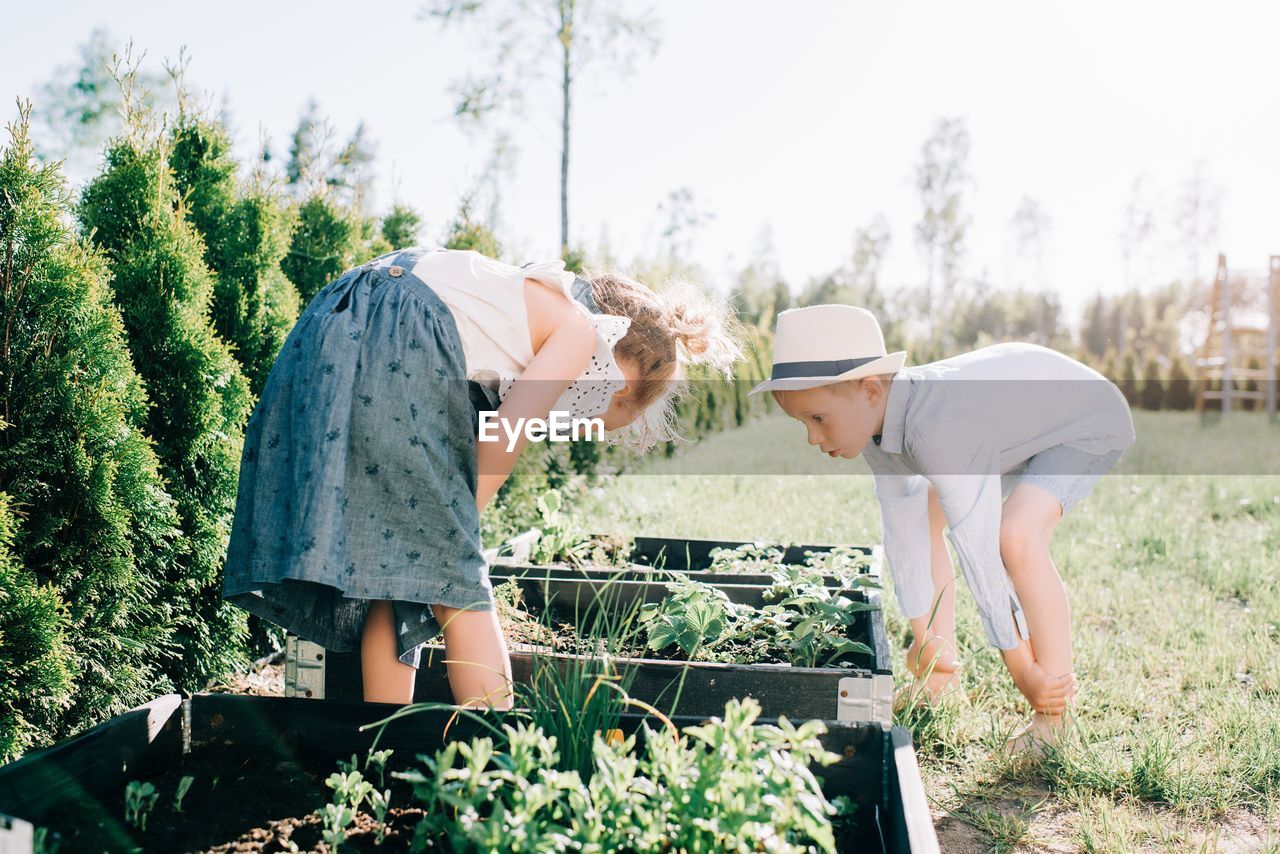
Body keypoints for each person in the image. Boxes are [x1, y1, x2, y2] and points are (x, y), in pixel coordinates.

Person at [223, 246, 742, 709]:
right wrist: (459, 534)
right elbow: (505, 440)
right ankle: (496, 750)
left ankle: (384, 745)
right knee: (456, 578)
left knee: (395, 573)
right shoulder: (582, 333)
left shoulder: (512, 308)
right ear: (614, 369)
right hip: (403, 336)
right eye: (596, 407)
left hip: (338, 321)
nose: (574, 414)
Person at [752, 305, 1135, 757]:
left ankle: (1053, 715)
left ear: (871, 390)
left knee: (1014, 535)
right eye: (803, 423)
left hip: (1085, 418)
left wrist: (1021, 667)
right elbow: (905, 532)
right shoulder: (879, 429)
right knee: (930, 511)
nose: (813, 438)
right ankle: (941, 676)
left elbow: (978, 550)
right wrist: (925, 639)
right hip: (1010, 426)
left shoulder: (938, 428)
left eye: (818, 418)